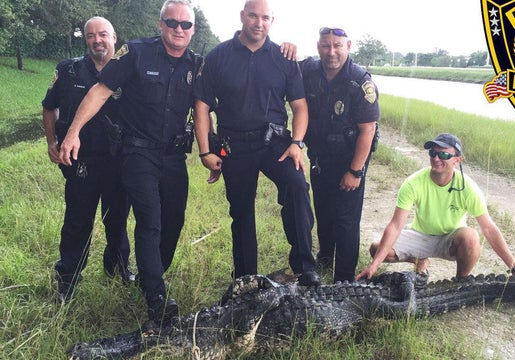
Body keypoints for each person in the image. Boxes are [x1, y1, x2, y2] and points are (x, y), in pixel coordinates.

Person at [59, 0, 197, 324]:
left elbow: (205, 108)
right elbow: (99, 91)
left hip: (175, 157)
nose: (179, 29)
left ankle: (153, 273)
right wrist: (72, 133)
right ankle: (156, 297)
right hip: (137, 153)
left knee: (173, 221)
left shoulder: (197, 64)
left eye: (185, 25)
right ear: (160, 24)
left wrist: (209, 150)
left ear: (192, 30)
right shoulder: (135, 52)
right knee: (150, 220)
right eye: (172, 22)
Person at [193, 0, 320, 286]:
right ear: (242, 17)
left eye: (265, 18)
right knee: (241, 211)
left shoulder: (284, 57)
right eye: (253, 16)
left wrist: (297, 143)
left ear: (272, 21)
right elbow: (202, 106)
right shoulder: (218, 56)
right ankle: (246, 278)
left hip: (275, 142)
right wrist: (204, 151)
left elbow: (300, 107)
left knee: (297, 186)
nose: (259, 23)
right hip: (233, 146)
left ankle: (305, 268)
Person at [42, 16, 135, 303]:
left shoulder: (129, 72)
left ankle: (118, 268)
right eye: (92, 35)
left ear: (114, 37)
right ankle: (67, 281)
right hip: (80, 163)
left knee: (117, 220)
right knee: (77, 222)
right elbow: (49, 107)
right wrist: (52, 141)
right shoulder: (69, 70)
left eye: (103, 34)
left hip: (118, 162)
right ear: (86, 40)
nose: (98, 40)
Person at [356, 133, 515, 283]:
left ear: (457, 160)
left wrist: (514, 267)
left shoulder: (469, 188)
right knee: (376, 248)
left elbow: (489, 229)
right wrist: (375, 265)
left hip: (451, 240)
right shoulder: (413, 183)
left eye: (444, 155)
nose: (436, 159)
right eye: (433, 153)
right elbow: (395, 225)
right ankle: (420, 260)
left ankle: (460, 281)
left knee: (471, 237)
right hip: (420, 235)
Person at [299, 27, 379, 283]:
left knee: (346, 220)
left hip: (350, 159)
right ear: (318, 46)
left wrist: (355, 171)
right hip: (321, 159)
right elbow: (280, 64)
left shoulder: (360, 81)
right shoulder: (308, 70)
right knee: (323, 211)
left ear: (348, 46)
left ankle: (343, 279)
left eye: (337, 45)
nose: (331, 51)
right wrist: (286, 47)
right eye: (325, 45)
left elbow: (368, 130)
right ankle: (325, 258)